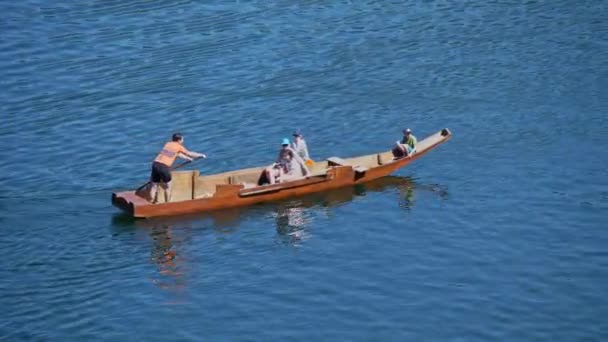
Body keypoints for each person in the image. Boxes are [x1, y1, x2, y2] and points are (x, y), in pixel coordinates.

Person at [149, 133, 206, 203]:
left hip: (155, 164)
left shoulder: (168, 144)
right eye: (182, 139)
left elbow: (173, 154)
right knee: (168, 187)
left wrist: (187, 158)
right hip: (163, 167)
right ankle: (167, 204)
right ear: (179, 140)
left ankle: (151, 202)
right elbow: (189, 153)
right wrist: (201, 155)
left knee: (154, 186)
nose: (183, 140)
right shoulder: (179, 146)